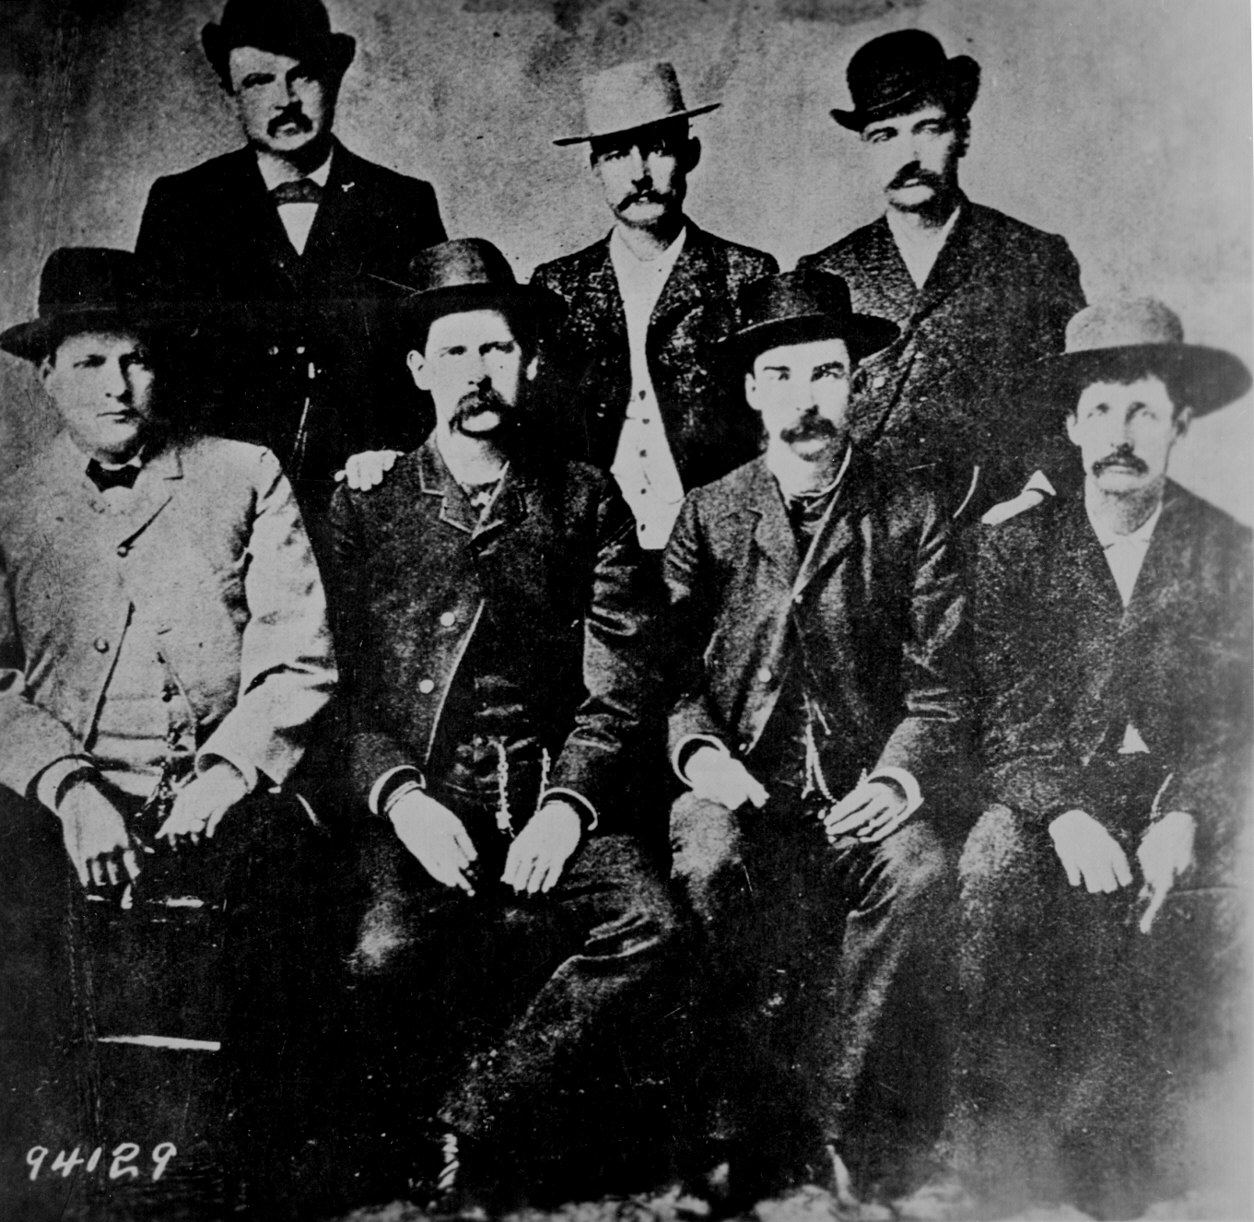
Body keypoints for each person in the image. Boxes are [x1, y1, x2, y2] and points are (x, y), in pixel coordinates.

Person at [328, 238, 678, 1210]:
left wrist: (567, 808)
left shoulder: (584, 497)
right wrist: (402, 799)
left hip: (554, 792)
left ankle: (476, 1115)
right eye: (454, 352)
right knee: (378, 952)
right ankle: (398, 1153)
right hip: (425, 801)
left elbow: (624, 684)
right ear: (418, 369)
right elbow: (338, 693)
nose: (476, 374)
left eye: (496, 350)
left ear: (527, 361)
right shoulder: (367, 505)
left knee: (651, 923)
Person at [0, 247, 338, 1205]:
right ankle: (64, 1169)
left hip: (222, 781)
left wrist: (230, 771)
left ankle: (245, 1177)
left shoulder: (243, 472)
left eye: (136, 360)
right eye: (89, 363)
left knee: (286, 891)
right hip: (67, 790)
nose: (117, 385)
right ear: (47, 374)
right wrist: (68, 788)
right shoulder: (10, 502)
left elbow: (298, 651)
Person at [663, 269, 968, 1211]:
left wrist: (897, 781)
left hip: (857, 791)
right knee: (707, 860)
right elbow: (665, 677)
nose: (807, 400)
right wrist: (704, 757)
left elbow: (942, 690)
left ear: (855, 383)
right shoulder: (709, 513)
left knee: (918, 870)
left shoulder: (910, 508)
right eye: (784, 376)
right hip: (739, 782)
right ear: (752, 391)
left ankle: (834, 1129)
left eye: (827, 374)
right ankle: (729, 1134)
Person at [957, 298, 1252, 1219]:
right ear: (1071, 425)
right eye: (1101, 411)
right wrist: (1062, 811)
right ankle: (991, 1142)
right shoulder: (1012, 548)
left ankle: (1179, 1144)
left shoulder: (1228, 552)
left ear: (1181, 423)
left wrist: (1186, 813)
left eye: (1143, 412)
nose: (1121, 436)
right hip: (1053, 785)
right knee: (991, 860)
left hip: (1175, 789)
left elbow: (1233, 724)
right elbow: (1006, 718)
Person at [135, 0, 446, 511]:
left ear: (334, 78)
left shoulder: (402, 203)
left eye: (303, 76)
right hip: (225, 498)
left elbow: (437, 354)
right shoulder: (182, 205)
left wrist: (396, 456)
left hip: (370, 493)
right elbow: (155, 364)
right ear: (231, 92)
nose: (285, 100)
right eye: (259, 81)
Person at [798, 29, 1085, 515]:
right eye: (884, 135)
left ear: (962, 135)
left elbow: (1075, 397)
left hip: (996, 526)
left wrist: (1036, 496)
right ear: (865, 146)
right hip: (862, 530)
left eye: (928, 129)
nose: (908, 157)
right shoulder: (826, 273)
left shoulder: (1032, 257)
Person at [532, 61, 778, 551]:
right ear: (595, 168)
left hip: (716, 548)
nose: (639, 174)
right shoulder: (557, 286)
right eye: (617, 155)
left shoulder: (744, 274)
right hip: (592, 553)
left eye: (659, 148)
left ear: (690, 155)